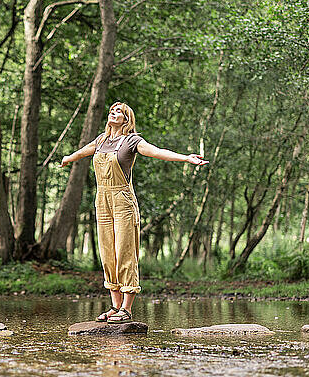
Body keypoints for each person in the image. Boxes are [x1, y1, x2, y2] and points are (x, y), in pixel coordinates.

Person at [59, 102, 209, 323]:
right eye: (112, 110)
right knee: (108, 252)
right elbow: (84, 150)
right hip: (102, 201)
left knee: (125, 252)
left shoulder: (132, 141)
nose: (113, 112)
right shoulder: (101, 140)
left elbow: (157, 152)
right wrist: (69, 158)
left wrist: (186, 158)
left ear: (127, 119)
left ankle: (126, 309)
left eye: (119, 111)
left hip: (123, 201)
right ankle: (114, 306)